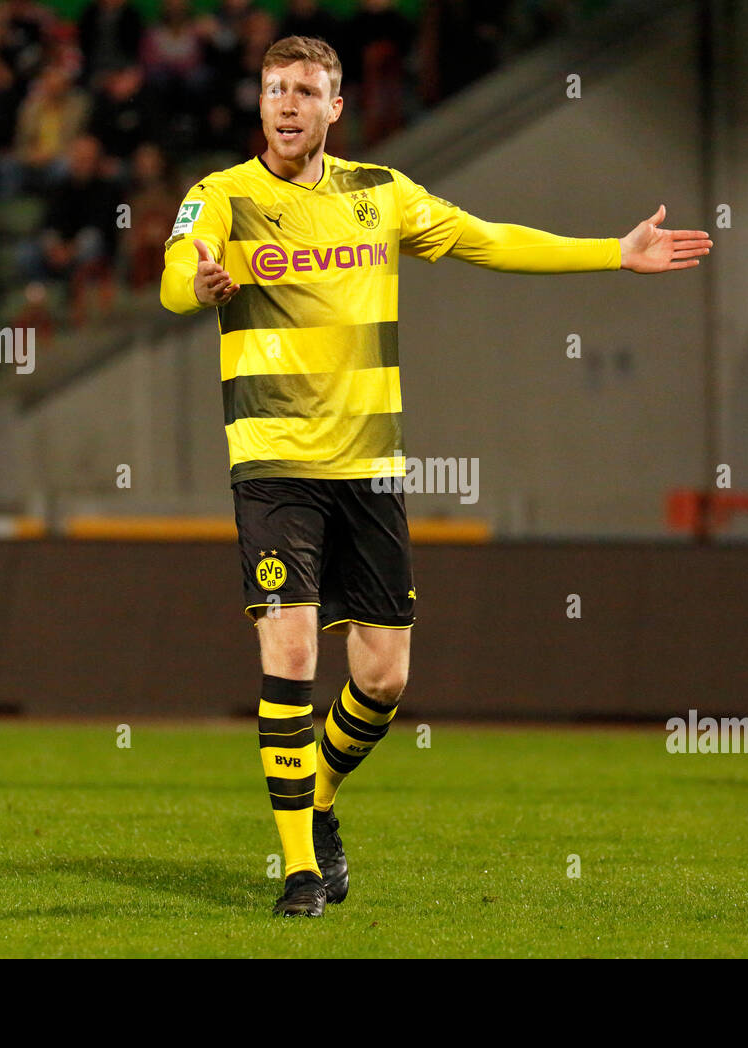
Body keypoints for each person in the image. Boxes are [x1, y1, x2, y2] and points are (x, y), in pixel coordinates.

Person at [160, 35, 711, 916]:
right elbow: (173, 278)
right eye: (274, 90)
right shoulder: (222, 195)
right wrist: (204, 280)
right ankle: (301, 869)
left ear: (335, 107)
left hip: (370, 467)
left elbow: (487, 241)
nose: (287, 104)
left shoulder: (379, 194)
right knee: (293, 650)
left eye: (305, 90)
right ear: (259, 102)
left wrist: (613, 251)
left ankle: (322, 796)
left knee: (383, 679)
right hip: (273, 460)